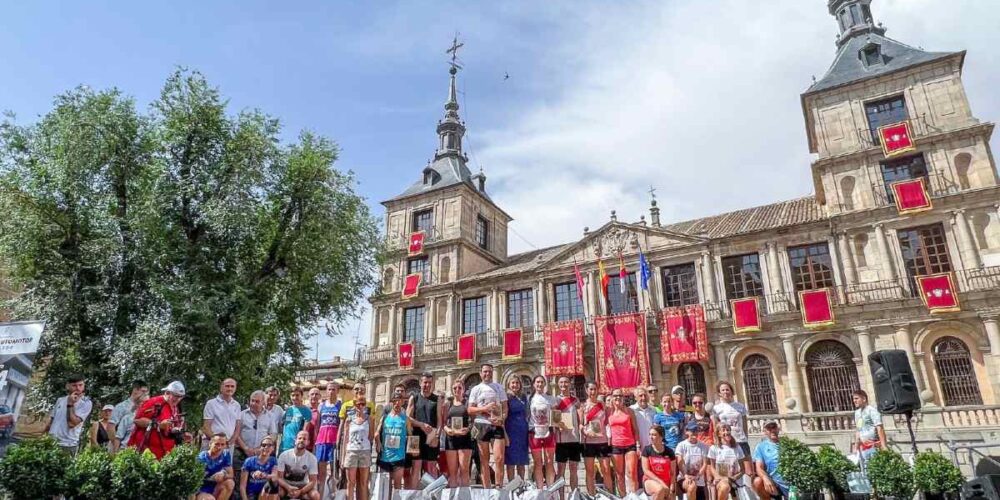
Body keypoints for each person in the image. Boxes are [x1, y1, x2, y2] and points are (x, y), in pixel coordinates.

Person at [467, 363, 508, 489]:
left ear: (492, 373)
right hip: (481, 425)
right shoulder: (476, 389)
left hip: (496, 425)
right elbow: (469, 409)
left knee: (499, 458)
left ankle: (499, 487)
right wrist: (485, 408)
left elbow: (505, 407)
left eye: (489, 371)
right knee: (483, 459)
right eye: (485, 371)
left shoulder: (499, 387)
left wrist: (502, 418)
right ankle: (487, 489)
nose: (487, 374)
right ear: (481, 373)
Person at [129, 381, 187, 460]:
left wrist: (180, 433)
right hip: (147, 454)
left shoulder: (175, 408)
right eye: (176, 396)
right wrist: (158, 425)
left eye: (181, 397)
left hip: (164, 455)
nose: (178, 399)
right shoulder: (154, 402)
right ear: (167, 393)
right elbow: (137, 420)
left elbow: (167, 429)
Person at [235, 390, 279, 495]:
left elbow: (273, 435)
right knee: (238, 481)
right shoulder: (241, 415)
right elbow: (236, 433)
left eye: (257, 401)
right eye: (252, 401)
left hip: (261, 453)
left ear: (264, 402)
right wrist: (246, 448)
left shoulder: (270, 416)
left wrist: (260, 449)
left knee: (259, 481)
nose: (253, 403)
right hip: (241, 451)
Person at [407, 373, 444, 489]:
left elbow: (439, 420)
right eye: (425, 382)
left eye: (429, 383)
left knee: (431, 467)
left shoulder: (437, 399)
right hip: (415, 437)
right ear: (420, 383)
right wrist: (421, 425)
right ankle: (414, 495)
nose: (427, 385)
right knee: (415, 468)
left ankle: (431, 494)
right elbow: (408, 419)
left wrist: (437, 436)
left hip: (431, 436)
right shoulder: (414, 398)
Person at [339, 384, 375, 500]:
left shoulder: (369, 419)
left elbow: (370, 437)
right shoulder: (349, 420)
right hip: (351, 452)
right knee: (351, 482)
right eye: (358, 404)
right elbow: (345, 439)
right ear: (354, 405)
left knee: (364, 483)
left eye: (363, 404)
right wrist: (343, 456)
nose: (361, 406)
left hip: (364, 451)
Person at [45, 375, 93, 456]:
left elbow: (72, 423)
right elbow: (51, 421)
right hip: (51, 442)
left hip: (67, 445)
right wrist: (44, 436)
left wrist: (70, 404)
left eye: (80, 385)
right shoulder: (60, 400)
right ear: (67, 386)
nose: (78, 388)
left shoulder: (86, 403)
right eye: (74, 385)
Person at [579, 381, 613, 496]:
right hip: (588, 442)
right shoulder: (583, 406)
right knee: (590, 472)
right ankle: (591, 496)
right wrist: (585, 431)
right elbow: (580, 424)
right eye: (590, 389)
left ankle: (609, 496)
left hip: (602, 441)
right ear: (586, 390)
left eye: (595, 389)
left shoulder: (603, 405)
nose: (593, 392)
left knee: (606, 470)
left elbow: (608, 421)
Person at [712, 381, 751, 477]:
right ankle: (729, 491)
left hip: (741, 441)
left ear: (731, 391)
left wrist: (745, 436)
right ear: (719, 393)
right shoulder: (716, 408)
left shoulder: (740, 406)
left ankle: (749, 491)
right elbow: (716, 427)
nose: (725, 392)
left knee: (748, 472)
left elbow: (744, 424)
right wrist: (718, 441)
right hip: (725, 443)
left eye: (727, 389)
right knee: (725, 473)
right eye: (723, 390)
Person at [376, 392, 413, 490]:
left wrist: (414, 450)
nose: (397, 403)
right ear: (391, 402)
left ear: (402, 402)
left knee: (397, 487)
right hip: (385, 457)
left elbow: (411, 436)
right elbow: (376, 432)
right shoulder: (384, 418)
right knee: (385, 487)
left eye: (399, 401)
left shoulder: (406, 419)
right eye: (395, 401)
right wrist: (378, 442)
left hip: (399, 457)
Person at [527, 375, 558, 489]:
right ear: (534, 384)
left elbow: (556, 415)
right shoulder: (529, 399)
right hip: (534, 433)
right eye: (537, 382)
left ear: (545, 384)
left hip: (549, 432)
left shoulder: (551, 399)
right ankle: (540, 490)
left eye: (541, 382)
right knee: (537, 463)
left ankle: (550, 489)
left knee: (549, 462)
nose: (539, 384)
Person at [608, 388, 640, 496]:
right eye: (615, 396)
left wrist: (638, 445)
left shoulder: (629, 411)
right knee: (619, 474)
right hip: (616, 446)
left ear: (623, 398)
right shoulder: (609, 412)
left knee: (632, 473)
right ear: (612, 398)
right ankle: (623, 497)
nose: (617, 398)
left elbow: (635, 430)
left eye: (620, 396)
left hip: (630, 445)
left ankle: (634, 496)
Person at [314, 381, 342, 498]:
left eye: (333, 389)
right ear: (326, 391)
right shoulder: (321, 405)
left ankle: (334, 495)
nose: (331, 391)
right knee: (321, 473)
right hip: (322, 441)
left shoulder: (340, 405)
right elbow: (317, 425)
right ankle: (320, 496)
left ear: (338, 391)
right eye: (329, 389)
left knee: (335, 473)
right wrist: (316, 441)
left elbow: (341, 424)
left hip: (334, 441)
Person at [554, 376, 582, 496]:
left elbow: (581, 418)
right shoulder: (555, 400)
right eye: (561, 382)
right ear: (558, 384)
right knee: (560, 470)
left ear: (570, 384)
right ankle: (561, 497)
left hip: (574, 438)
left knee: (574, 469)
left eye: (566, 382)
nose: (564, 384)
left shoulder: (575, 400)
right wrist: (558, 425)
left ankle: (573, 495)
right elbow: (554, 419)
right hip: (561, 440)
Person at [276, 430, 320, 500]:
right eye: (299, 438)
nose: (301, 440)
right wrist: (288, 487)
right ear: (295, 440)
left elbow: (313, 481)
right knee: (278, 493)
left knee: (315, 495)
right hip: (286, 484)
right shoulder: (284, 455)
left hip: (302, 485)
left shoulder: (312, 458)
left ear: (308, 442)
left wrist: (301, 491)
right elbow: (279, 477)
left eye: (304, 439)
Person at [444, 381, 474, 488]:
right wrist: (447, 429)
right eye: (455, 388)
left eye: (459, 388)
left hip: (465, 439)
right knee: (452, 473)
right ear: (452, 390)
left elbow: (472, 421)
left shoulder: (467, 404)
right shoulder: (448, 404)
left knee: (464, 471)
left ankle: (464, 496)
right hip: (451, 439)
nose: (457, 390)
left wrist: (468, 429)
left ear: (463, 389)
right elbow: (443, 422)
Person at [753, 422, 790, 500]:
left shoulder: (787, 443)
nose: (772, 430)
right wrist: (765, 478)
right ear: (765, 432)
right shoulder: (761, 447)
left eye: (774, 427)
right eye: (769, 429)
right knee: (758, 481)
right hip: (774, 482)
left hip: (789, 481)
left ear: (778, 429)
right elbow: (759, 468)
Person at [202, 378, 241, 452]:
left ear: (235, 388)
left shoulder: (237, 405)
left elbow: (238, 427)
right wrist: (218, 442)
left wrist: (229, 443)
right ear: (221, 387)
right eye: (227, 386)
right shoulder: (211, 404)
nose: (230, 388)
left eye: (232, 386)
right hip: (212, 444)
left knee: (227, 464)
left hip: (229, 445)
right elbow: (206, 427)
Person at [708, 423, 744, 500]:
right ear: (719, 434)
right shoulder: (714, 448)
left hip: (735, 480)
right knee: (725, 486)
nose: (726, 432)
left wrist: (735, 477)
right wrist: (718, 477)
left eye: (728, 430)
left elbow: (743, 469)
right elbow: (712, 467)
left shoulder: (737, 447)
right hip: (721, 480)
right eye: (723, 430)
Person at [110, 380, 148, 452]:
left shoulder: (146, 408)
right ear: (135, 390)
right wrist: (116, 447)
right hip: (121, 447)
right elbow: (111, 427)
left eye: (146, 392)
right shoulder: (121, 406)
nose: (145, 394)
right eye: (143, 391)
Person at [504, 375, 530, 483]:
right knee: (510, 462)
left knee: (521, 462)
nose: (515, 385)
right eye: (513, 383)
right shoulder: (506, 398)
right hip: (511, 432)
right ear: (509, 385)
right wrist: (505, 434)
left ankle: (521, 486)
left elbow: (527, 414)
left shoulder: (524, 397)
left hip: (522, 433)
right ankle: (511, 487)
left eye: (517, 383)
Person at [676, 421, 710, 500]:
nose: (694, 432)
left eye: (696, 430)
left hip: (699, 479)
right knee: (691, 486)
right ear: (687, 431)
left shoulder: (704, 446)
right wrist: (686, 476)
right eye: (692, 430)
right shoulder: (681, 445)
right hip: (684, 478)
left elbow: (705, 464)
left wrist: (698, 476)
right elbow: (679, 461)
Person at [641, 425, 676, 500]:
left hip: (667, 482)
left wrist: (672, 486)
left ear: (661, 437)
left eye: (654, 435)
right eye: (650, 434)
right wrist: (661, 483)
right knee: (660, 489)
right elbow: (646, 471)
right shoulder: (647, 450)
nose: (651, 437)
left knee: (671, 496)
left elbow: (673, 472)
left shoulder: (669, 452)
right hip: (650, 480)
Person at [852, 389, 887, 464]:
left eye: (856, 398)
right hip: (864, 448)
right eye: (853, 399)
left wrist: (884, 446)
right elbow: (859, 430)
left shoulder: (872, 410)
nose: (854, 401)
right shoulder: (857, 413)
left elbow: (879, 428)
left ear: (864, 399)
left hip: (874, 446)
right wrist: (856, 447)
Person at [197, 433, 235, 500]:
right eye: (217, 444)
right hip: (202, 489)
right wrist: (211, 477)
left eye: (222, 444)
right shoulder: (202, 457)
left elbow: (231, 474)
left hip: (216, 487)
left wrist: (223, 474)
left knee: (230, 483)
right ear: (210, 444)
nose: (219, 447)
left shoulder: (225, 454)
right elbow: (196, 479)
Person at [240, 435, 278, 500]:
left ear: (273, 448)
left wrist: (263, 475)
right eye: (263, 445)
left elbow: (274, 476)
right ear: (260, 447)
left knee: (273, 484)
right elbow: (242, 486)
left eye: (269, 445)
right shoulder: (249, 461)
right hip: (251, 494)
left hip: (266, 493)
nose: (266, 447)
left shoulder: (273, 460)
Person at [654, 385, 689, 451]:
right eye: (664, 402)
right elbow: (657, 433)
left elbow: (683, 430)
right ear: (661, 403)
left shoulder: (679, 415)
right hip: (665, 448)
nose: (667, 404)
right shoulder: (658, 417)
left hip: (679, 447)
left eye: (669, 401)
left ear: (672, 402)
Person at [280, 388, 312, 453]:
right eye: (293, 395)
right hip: (284, 445)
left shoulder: (306, 411)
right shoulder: (289, 409)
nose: (295, 397)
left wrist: (300, 444)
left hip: (296, 446)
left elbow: (305, 431)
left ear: (301, 396)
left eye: (297, 395)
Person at [305, 387, 322, 452]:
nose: (314, 396)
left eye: (316, 394)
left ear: (320, 396)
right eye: (312, 394)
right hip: (305, 442)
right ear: (308, 396)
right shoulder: (304, 409)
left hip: (317, 442)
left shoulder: (322, 410)